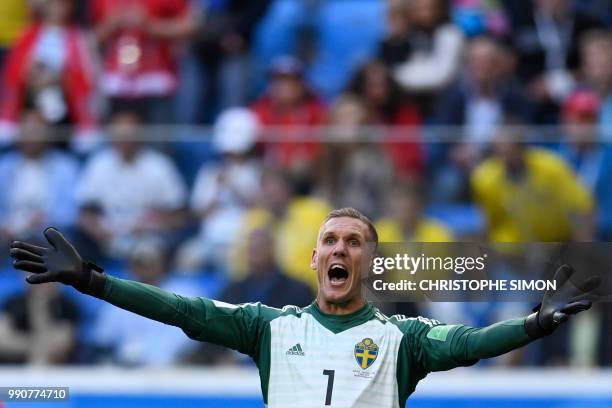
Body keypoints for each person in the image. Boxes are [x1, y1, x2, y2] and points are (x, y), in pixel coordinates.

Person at [9, 208, 599, 407]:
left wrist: (535, 322)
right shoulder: (268, 326)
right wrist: (92, 280)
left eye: (354, 242)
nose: (341, 249)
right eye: (331, 241)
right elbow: (180, 309)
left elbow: (469, 345)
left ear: (369, 262)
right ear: (315, 258)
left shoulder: (403, 337)